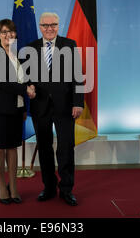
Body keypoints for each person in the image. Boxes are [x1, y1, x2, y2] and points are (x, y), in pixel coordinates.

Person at [27, 12, 84, 206]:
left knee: (66, 148)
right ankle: (49, 188)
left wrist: (78, 102)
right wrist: (29, 87)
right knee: (44, 149)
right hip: (40, 106)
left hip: (66, 107)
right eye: (45, 25)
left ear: (58, 26)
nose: (49, 28)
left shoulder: (69, 45)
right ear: (40, 27)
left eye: (53, 24)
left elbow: (78, 75)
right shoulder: (31, 48)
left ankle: (67, 190)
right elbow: (26, 77)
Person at [0, 19, 36, 204]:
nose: (8, 35)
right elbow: (1, 82)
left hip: (15, 109)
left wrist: (23, 106)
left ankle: (13, 186)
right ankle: (1, 185)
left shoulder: (17, 56)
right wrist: (25, 90)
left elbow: (21, 82)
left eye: (11, 31)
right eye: (4, 32)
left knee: (12, 147)